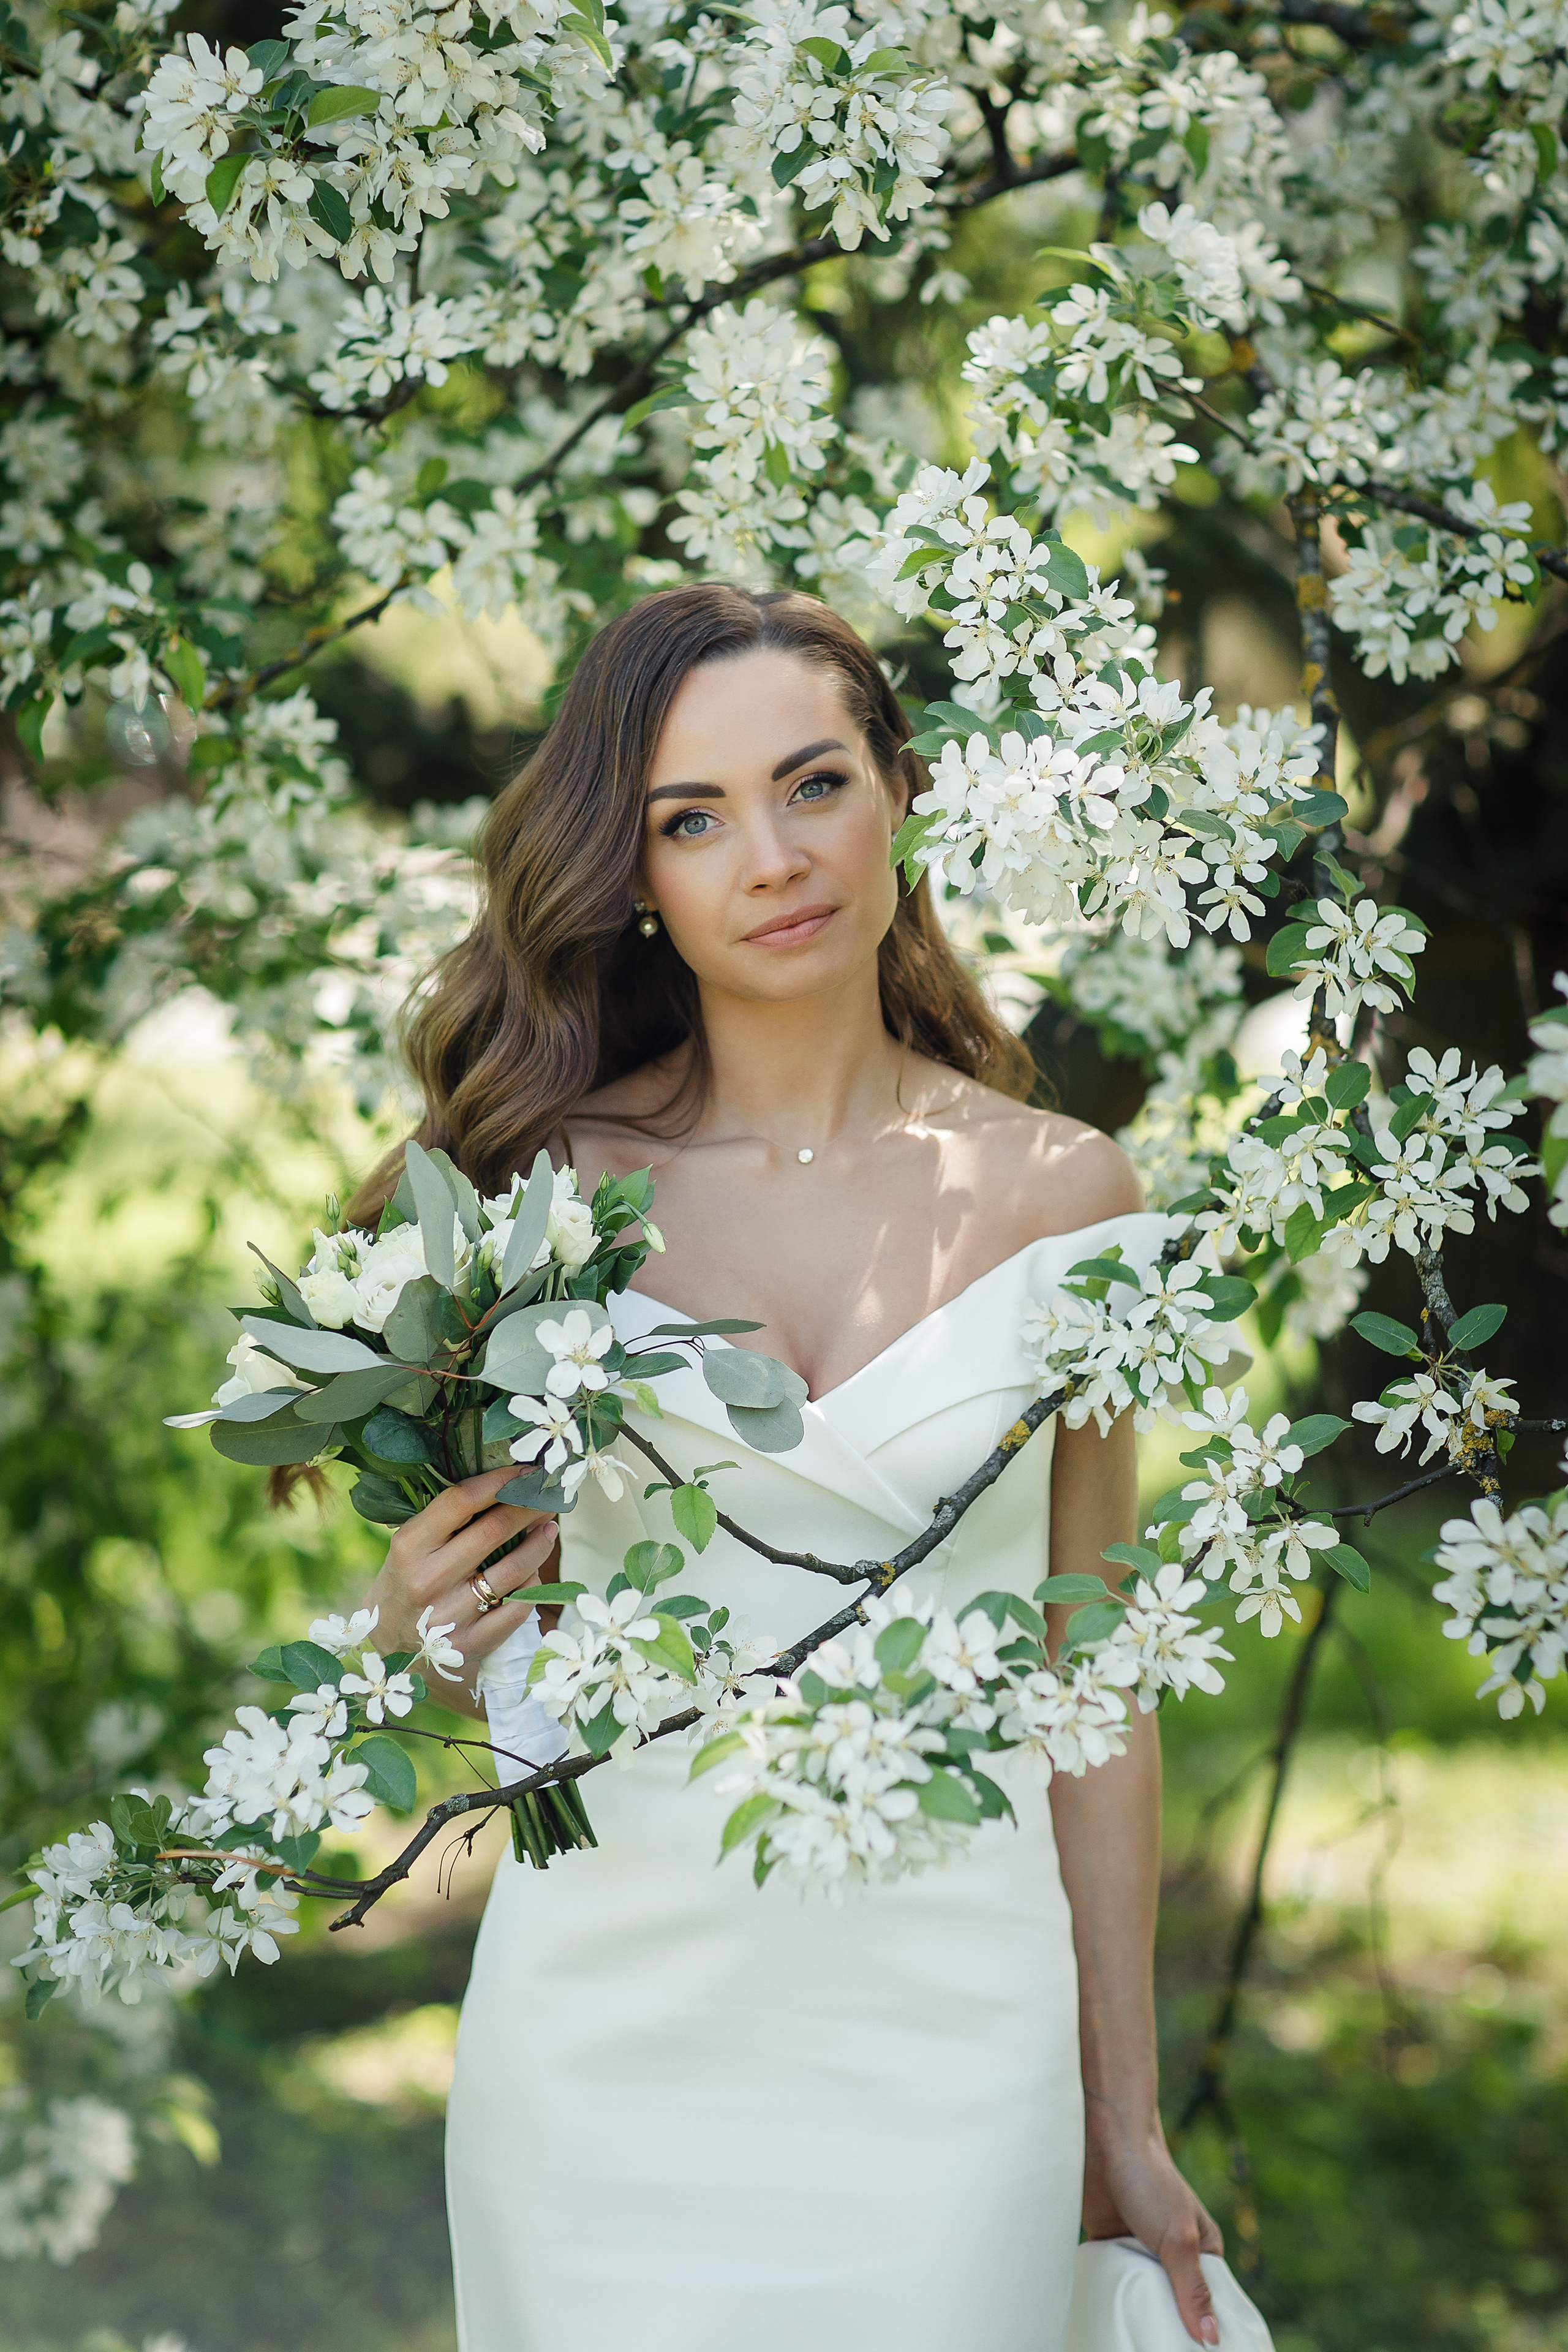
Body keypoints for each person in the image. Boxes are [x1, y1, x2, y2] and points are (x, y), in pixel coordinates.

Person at [352, 585, 1237, 2352]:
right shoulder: (532, 1198)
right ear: (638, 881)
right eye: (694, 819)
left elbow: (1097, 1686)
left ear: (901, 795)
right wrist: (419, 1633)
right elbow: (495, 1671)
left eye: (814, 783)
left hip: (954, 2030)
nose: (771, 855)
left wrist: (1117, 2110)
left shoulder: (1072, 1198)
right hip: (604, 2036)